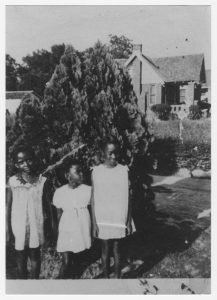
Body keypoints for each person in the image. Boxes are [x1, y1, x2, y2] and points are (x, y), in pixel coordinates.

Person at [6, 146, 54, 279]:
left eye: (29, 160)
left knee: (35, 254)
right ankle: (23, 285)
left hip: (35, 224)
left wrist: (50, 226)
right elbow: (8, 207)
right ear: (16, 164)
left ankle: (34, 284)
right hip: (18, 225)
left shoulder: (42, 181)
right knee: (21, 255)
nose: (26, 164)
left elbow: (48, 206)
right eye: (21, 162)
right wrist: (8, 230)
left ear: (34, 160)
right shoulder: (13, 182)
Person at [91, 137, 134, 278]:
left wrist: (128, 220)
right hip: (103, 217)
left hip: (118, 216)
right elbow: (93, 198)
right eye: (110, 153)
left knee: (117, 249)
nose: (113, 156)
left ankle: (116, 276)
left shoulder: (123, 170)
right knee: (105, 249)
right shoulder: (96, 172)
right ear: (103, 154)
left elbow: (128, 197)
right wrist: (94, 223)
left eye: (116, 153)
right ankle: (105, 277)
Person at [52, 161, 92, 279]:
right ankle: (60, 283)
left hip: (82, 226)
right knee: (67, 260)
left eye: (82, 171)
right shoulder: (60, 192)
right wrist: (56, 233)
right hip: (67, 227)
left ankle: (73, 283)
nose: (81, 174)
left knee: (78, 258)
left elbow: (93, 209)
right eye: (77, 172)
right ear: (67, 176)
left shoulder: (88, 190)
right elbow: (58, 214)